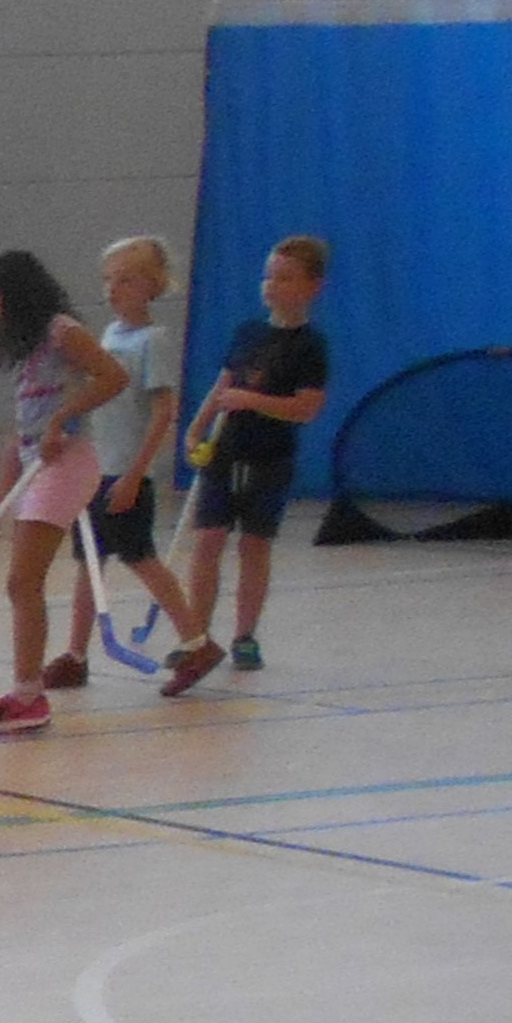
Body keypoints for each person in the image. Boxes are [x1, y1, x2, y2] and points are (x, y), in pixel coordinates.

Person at [0, 249, 126, 737]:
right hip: (37, 464)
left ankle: (29, 699)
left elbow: (114, 376)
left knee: (23, 580)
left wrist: (62, 418)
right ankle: (25, 691)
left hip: (68, 462)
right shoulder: (28, 350)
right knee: (21, 583)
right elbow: (18, 437)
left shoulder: (62, 331)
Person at [173, 233, 333, 691]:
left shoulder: (311, 346)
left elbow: (307, 407)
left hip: (270, 457)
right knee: (208, 540)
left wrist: (254, 401)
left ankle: (245, 636)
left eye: (285, 278)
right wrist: (196, 429)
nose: (271, 285)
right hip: (225, 452)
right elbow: (223, 386)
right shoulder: (248, 333)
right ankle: (197, 637)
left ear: (312, 287)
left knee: (254, 545)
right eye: (269, 276)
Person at [86, 234, 207, 670]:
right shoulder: (108, 335)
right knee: (89, 560)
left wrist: (135, 474)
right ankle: (74, 653)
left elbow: (163, 412)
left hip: (126, 471)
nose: (112, 289)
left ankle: (195, 639)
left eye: (124, 280)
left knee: (141, 558)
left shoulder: (153, 340)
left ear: (150, 285)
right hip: (97, 467)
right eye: (108, 280)